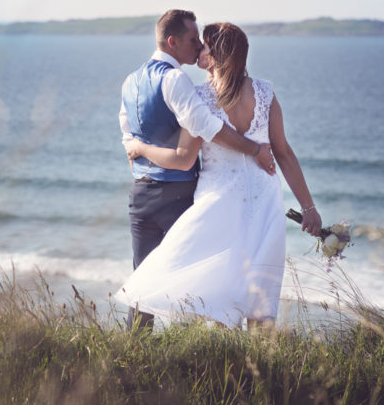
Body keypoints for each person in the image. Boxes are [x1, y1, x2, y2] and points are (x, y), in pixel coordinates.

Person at [114, 22, 321, 330]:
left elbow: (184, 157)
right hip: (265, 201)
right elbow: (284, 153)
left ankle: (226, 366)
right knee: (260, 297)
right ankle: (258, 371)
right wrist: (309, 208)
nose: (199, 48)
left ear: (217, 55)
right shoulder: (264, 92)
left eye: (205, 45)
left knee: (216, 287)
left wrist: (139, 147)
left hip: (219, 201)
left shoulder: (199, 98)